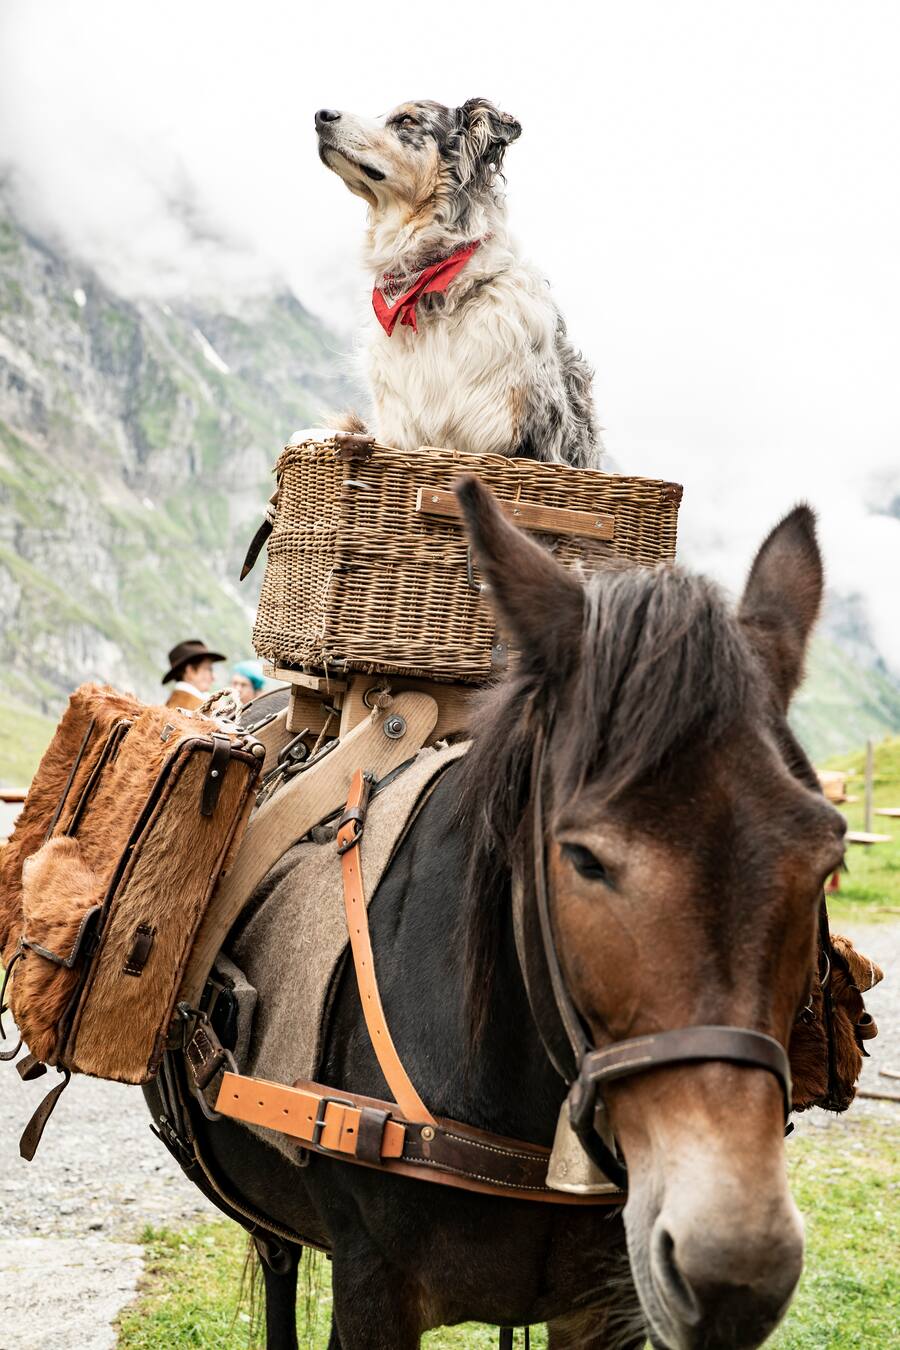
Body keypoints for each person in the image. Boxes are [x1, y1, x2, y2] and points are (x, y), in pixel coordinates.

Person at [161, 639, 226, 711]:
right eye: (208, 669)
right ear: (190, 671)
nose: (214, 677)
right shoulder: (197, 710)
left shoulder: (172, 704)